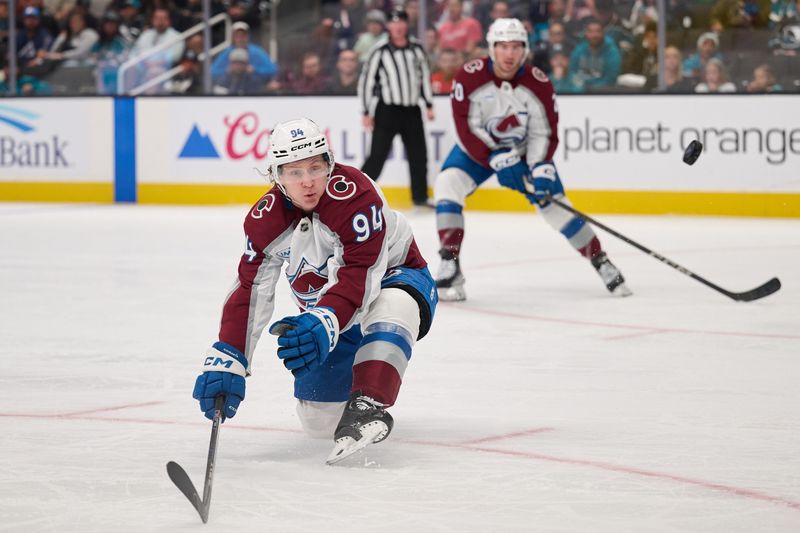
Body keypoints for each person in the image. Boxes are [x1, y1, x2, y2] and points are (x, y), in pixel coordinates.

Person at [191, 118, 437, 464]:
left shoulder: (356, 197)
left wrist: (324, 319)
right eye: (293, 172)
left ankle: (369, 402)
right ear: (277, 177)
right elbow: (251, 289)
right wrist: (231, 356)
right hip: (334, 312)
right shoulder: (266, 222)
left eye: (315, 167)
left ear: (329, 164)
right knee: (319, 423)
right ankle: (357, 380)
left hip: (395, 279)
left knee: (392, 305)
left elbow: (361, 274)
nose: (307, 181)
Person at [432, 18, 631, 302]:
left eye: (515, 47)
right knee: (447, 183)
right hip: (479, 149)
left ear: (525, 49)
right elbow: (466, 126)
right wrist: (494, 156)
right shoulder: (469, 76)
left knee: (555, 206)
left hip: (524, 152)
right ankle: (449, 261)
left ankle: (601, 260)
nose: (509, 54)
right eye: (502, 47)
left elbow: (543, 131)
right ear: (491, 48)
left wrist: (540, 166)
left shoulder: (538, 82)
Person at [358, 7, 435, 208]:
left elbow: (423, 77)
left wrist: (428, 103)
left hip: (412, 109)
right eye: (394, 23)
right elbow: (366, 82)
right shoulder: (380, 51)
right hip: (387, 110)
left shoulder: (417, 49)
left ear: (406, 24)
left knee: (419, 155)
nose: (398, 26)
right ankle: (356, 194)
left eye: (401, 22)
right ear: (389, 26)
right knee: (377, 156)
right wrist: (367, 111)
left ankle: (420, 198)